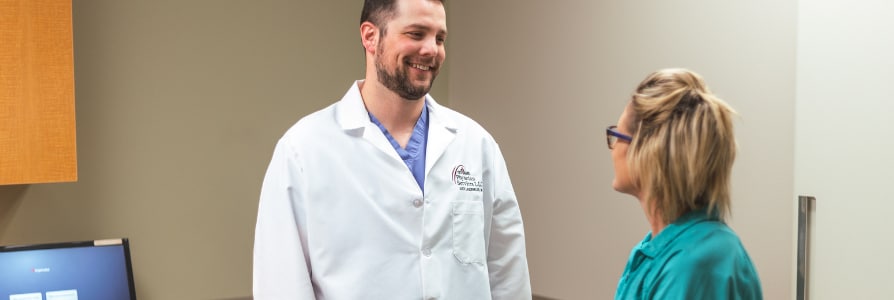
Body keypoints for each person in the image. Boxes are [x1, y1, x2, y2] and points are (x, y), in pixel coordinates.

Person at [252, 0, 532, 299]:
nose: (432, 50)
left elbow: (507, 275)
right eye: (416, 34)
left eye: (439, 38)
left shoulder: (477, 145)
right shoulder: (304, 150)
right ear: (370, 37)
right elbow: (281, 284)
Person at [608, 68, 762, 299]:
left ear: (647, 152)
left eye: (617, 136)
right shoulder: (657, 250)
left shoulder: (695, 264)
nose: (613, 149)